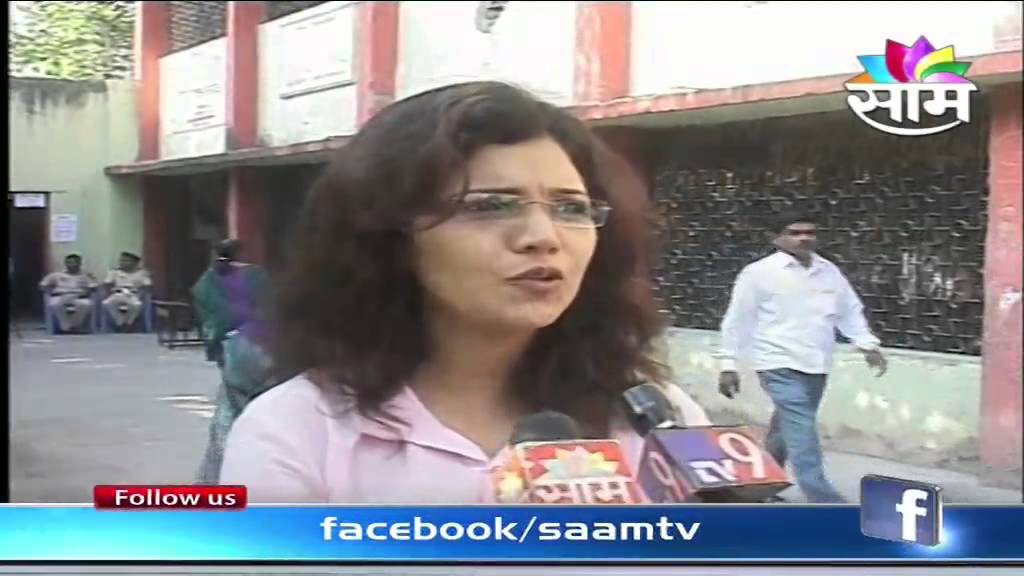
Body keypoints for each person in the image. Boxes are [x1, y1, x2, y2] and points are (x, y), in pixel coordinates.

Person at [219, 81, 711, 503]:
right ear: (391, 235)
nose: (543, 236)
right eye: (490, 206)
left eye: (571, 208)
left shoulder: (655, 413)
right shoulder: (299, 429)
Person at [716, 211, 888, 503]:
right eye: (795, 232)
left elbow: (848, 310)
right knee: (802, 428)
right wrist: (728, 364)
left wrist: (867, 344)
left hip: (816, 362)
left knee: (786, 426)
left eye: (809, 232)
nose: (804, 238)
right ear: (776, 238)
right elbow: (737, 321)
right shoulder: (758, 273)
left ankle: (760, 487)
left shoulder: (828, 271)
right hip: (777, 362)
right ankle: (821, 496)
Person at [191, 239, 274, 484]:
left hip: (230, 344)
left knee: (230, 408)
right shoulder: (257, 275)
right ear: (242, 252)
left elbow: (203, 304)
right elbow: (271, 305)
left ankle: (217, 480)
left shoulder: (208, 279)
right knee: (265, 405)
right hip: (263, 341)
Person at [39, 254, 98, 333]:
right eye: (69, 262)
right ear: (66, 263)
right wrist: (50, 292)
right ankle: (66, 326)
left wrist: (87, 290)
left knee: (86, 304)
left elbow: (94, 287)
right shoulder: (56, 275)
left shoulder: (86, 276)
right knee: (54, 304)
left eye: (75, 262)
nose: (72, 265)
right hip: (61, 296)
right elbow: (43, 285)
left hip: (78, 297)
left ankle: (75, 326)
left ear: (80, 263)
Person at [102, 252, 152, 330]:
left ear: (135, 263)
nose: (122, 263)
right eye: (121, 260)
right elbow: (107, 284)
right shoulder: (114, 272)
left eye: (126, 261)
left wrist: (140, 294)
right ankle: (120, 323)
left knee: (136, 305)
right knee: (107, 303)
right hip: (117, 294)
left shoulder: (142, 273)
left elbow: (147, 286)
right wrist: (109, 290)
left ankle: (129, 323)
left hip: (133, 295)